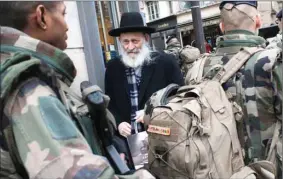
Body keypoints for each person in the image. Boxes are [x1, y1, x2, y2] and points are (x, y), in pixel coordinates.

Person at [0, 2, 154, 178]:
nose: (67, 26)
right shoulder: (26, 84)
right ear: (42, 17)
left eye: (135, 40)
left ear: (145, 39)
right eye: (64, 14)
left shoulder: (27, 72)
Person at [187, 1, 282, 177]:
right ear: (258, 21)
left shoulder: (196, 68)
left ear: (222, 27)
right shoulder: (272, 62)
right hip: (264, 172)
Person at [105, 12, 183, 139]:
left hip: (163, 139)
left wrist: (152, 113)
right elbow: (110, 104)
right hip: (128, 142)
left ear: (146, 38)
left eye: (135, 41)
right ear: (119, 40)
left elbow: (180, 98)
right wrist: (118, 123)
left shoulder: (166, 63)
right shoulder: (112, 68)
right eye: (125, 41)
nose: (130, 47)